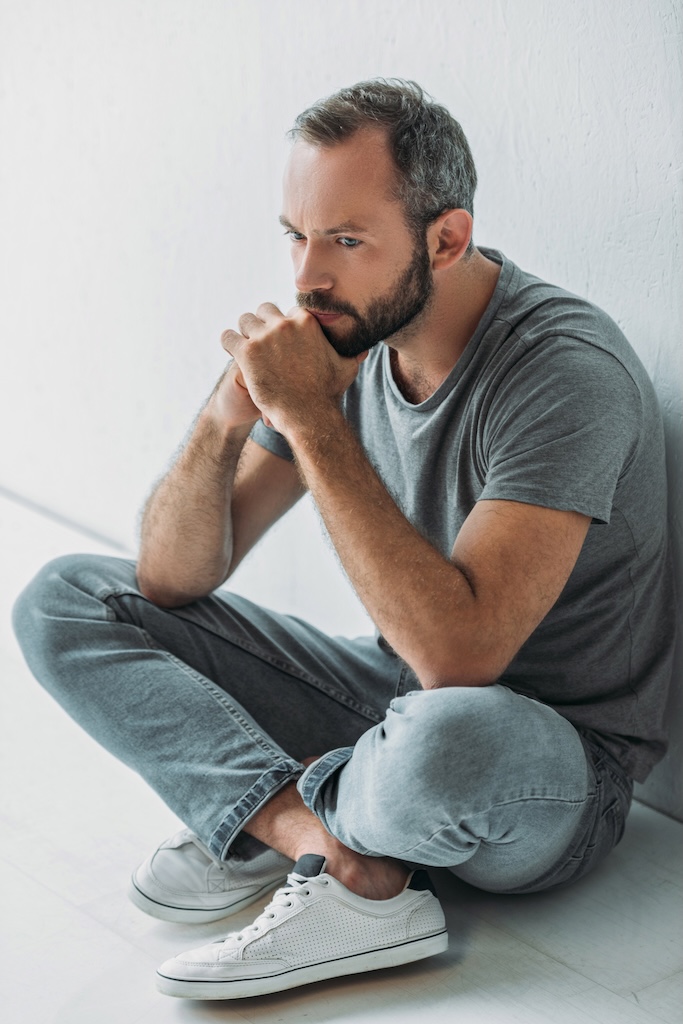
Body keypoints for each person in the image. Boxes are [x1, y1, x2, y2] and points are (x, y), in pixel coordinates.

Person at [13, 79, 675, 1002]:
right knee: (68, 596)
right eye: (296, 234)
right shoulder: (349, 335)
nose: (304, 277)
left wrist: (310, 420)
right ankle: (323, 850)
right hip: (390, 702)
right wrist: (225, 419)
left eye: (346, 240)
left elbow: (459, 657)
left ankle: (255, 815)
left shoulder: (562, 370)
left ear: (445, 239)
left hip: (543, 766)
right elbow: (170, 577)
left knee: (447, 735)